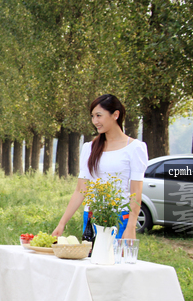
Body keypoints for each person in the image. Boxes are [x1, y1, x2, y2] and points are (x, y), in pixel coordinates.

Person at [52, 94, 148, 240]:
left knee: (117, 255)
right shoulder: (89, 148)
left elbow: (136, 193)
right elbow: (80, 190)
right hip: (92, 217)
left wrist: (131, 227)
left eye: (99, 115)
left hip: (120, 218)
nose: (95, 121)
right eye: (92, 116)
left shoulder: (134, 148)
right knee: (91, 255)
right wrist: (62, 223)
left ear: (115, 115)